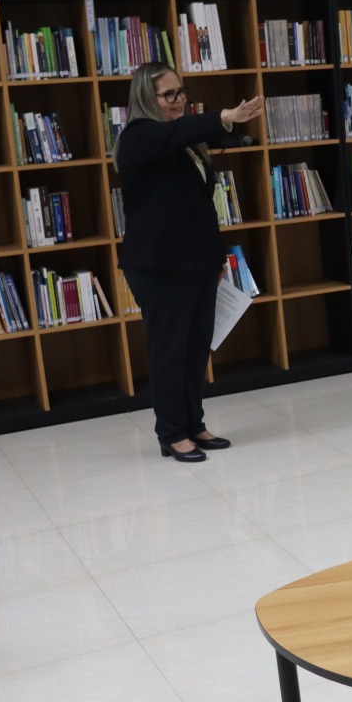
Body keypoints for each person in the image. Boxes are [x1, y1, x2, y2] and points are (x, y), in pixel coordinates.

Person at [116, 63, 264, 463]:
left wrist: (215, 258)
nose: (179, 100)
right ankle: (171, 433)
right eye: (169, 94)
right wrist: (226, 116)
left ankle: (193, 423)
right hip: (158, 266)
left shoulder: (185, 145)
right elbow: (178, 131)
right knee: (170, 350)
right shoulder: (138, 136)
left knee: (196, 347)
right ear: (147, 98)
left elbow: (199, 208)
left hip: (196, 261)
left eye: (181, 92)